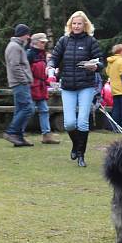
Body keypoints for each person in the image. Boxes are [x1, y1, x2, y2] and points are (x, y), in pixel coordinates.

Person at [47, 11, 104, 167]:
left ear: (85, 25)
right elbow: (54, 58)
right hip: (68, 87)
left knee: (82, 122)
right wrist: (50, 66)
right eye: (74, 23)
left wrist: (96, 66)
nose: (76, 26)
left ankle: (81, 155)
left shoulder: (91, 41)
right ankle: (76, 145)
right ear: (70, 25)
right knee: (69, 124)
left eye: (79, 23)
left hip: (86, 86)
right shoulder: (63, 41)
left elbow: (101, 62)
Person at [3, 23, 35, 147]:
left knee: (21, 109)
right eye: (27, 34)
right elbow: (15, 66)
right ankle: (11, 132)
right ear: (23, 34)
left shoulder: (17, 46)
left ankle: (19, 138)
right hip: (19, 83)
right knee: (28, 108)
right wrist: (24, 79)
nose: (29, 37)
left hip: (19, 82)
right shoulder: (14, 47)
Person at [27, 32, 60, 144]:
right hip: (32, 87)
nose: (44, 44)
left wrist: (48, 82)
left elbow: (42, 73)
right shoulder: (29, 54)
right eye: (42, 42)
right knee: (28, 111)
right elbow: (27, 72)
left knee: (44, 110)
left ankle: (46, 135)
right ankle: (18, 133)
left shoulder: (42, 55)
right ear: (35, 42)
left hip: (41, 87)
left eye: (44, 42)